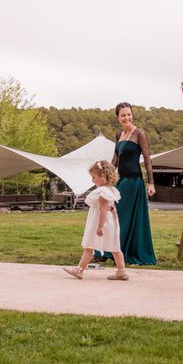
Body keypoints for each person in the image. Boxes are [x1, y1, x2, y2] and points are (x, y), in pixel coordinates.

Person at [94, 102, 156, 265]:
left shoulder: (140, 134)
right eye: (123, 115)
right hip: (121, 181)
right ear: (118, 117)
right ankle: (107, 250)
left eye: (129, 114)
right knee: (112, 214)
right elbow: (115, 160)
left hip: (134, 181)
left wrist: (151, 183)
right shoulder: (119, 135)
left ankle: (113, 251)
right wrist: (103, 177)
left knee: (117, 213)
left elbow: (147, 159)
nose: (126, 117)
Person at [63, 161, 129, 280]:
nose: (92, 180)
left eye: (94, 177)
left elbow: (103, 209)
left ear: (103, 176)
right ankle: (121, 271)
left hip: (101, 221)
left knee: (89, 245)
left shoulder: (102, 192)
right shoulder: (112, 190)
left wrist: (100, 226)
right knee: (115, 247)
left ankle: (79, 270)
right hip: (112, 221)